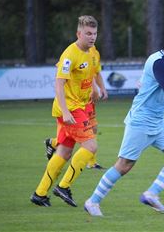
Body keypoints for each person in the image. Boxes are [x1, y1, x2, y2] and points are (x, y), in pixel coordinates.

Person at [84, 25, 164, 216]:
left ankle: (151, 194)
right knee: (124, 165)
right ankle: (92, 202)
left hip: (158, 122)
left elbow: (161, 91)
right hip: (141, 121)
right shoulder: (158, 62)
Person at [30, 15, 107, 207]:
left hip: (78, 106)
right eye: (88, 33)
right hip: (70, 109)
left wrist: (97, 88)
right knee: (91, 147)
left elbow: (92, 73)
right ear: (78, 33)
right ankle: (63, 187)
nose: (92, 37)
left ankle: (39, 194)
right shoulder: (69, 55)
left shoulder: (92, 52)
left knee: (63, 152)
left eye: (95, 34)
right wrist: (65, 111)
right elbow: (58, 84)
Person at [44, 79, 107, 170]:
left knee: (93, 128)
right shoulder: (69, 66)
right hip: (78, 101)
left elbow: (95, 74)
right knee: (83, 134)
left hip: (88, 99)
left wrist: (99, 88)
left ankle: (54, 142)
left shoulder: (93, 64)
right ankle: (91, 163)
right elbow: (61, 82)